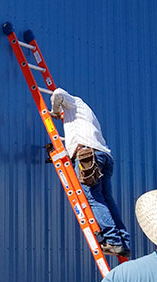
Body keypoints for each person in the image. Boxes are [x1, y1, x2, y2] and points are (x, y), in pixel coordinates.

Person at [50, 87, 131, 258]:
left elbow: (57, 93)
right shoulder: (88, 116)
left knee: (93, 198)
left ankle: (113, 240)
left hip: (88, 155)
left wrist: (55, 111)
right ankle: (123, 242)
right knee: (107, 199)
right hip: (104, 156)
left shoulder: (75, 102)